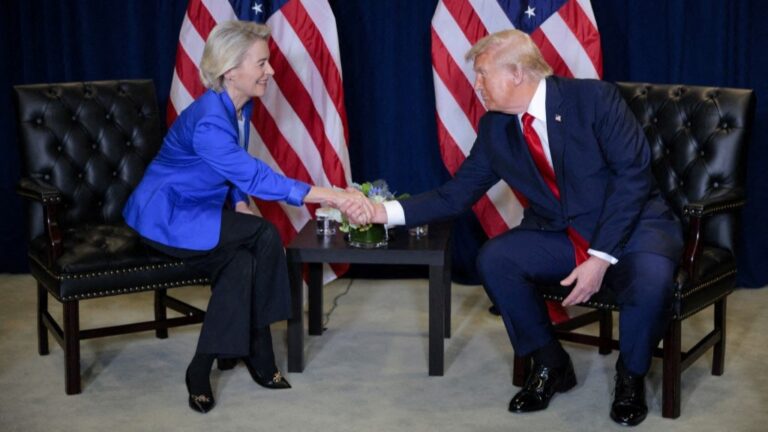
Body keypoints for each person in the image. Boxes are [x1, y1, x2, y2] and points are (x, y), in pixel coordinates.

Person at [363, 29, 683, 426]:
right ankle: (551, 363)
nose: (476, 85)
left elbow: (632, 179)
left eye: (482, 74)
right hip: (560, 234)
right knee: (497, 258)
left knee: (652, 278)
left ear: (517, 73)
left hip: (634, 227)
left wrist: (600, 258)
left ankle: (630, 376)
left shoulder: (594, 99)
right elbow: (455, 195)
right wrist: (382, 213)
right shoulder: (496, 128)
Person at [123, 20, 372, 414]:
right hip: (165, 217)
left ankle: (200, 367)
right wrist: (335, 196)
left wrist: (239, 200)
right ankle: (260, 349)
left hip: (197, 213)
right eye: (262, 63)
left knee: (241, 264)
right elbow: (254, 173)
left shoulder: (238, 104)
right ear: (230, 70)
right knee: (264, 234)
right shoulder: (208, 119)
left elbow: (233, 166)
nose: (271, 71)